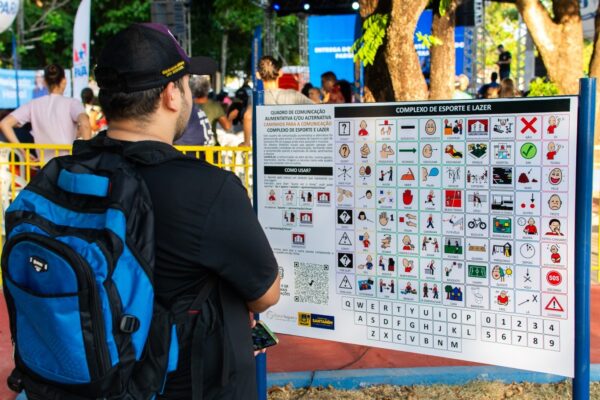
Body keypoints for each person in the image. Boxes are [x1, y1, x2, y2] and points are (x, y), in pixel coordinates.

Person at [94, 23, 280, 399]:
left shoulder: (61, 175)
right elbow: (265, 293)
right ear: (171, 95)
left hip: (92, 375)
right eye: (185, 84)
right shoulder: (209, 189)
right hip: (185, 383)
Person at [0, 64, 91, 160]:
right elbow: (85, 124)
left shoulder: (33, 104)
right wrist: (87, 156)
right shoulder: (73, 103)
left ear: (45, 82)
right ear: (64, 81)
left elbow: (4, 123)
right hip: (67, 164)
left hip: (44, 165)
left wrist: (23, 152)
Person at [188, 75, 232, 143]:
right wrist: (231, 116)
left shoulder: (185, 106)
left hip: (187, 146)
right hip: (209, 147)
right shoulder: (214, 106)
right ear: (207, 89)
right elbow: (227, 127)